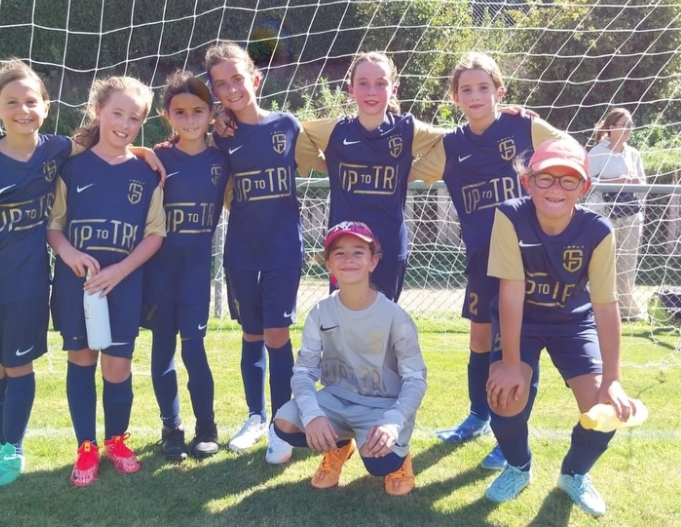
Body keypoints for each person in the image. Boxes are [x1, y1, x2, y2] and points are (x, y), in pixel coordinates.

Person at [410, 52, 569, 469]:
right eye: (466, 89)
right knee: (480, 341)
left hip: (528, 263)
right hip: (482, 260)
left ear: (500, 91)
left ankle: (508, 436)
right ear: (455, 97)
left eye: (484, 87)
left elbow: (570, 150)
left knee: (516, 349)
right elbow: (404, 172)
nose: (475, 95)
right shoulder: (450, 146)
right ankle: (478, 416)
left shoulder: (525, 127)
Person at [484, 138, 637, 516]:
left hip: (573, 324)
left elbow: (605, 306)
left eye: (569, 180)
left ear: (584, 187)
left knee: (605, 409)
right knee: (505, 395)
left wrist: (612, 379)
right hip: (522, 322)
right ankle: (518, 465)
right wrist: (510, 364)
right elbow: (511, 291)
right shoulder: (510, 216)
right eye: (546, 178)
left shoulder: (598, 230)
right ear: (527, 182)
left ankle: (574, 473)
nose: (556, 188)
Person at [0, 59, 80, 490]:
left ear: (46, 106)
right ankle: (1, 442)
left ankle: (14, 450)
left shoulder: (58, 150)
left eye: (31, 101)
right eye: (12, 103)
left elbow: (105, 149)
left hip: (29, 285)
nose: (22, 110)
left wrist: (144, 153)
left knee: (17, 365)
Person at [204, 41, 322, 463]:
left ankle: (280, 423)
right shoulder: (220, 138)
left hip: (283, 248)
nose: (232, 89)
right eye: (221, 84)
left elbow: (328, 149)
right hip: (242, 250)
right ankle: (254, 417)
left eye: (237, 78)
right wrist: (214, 120)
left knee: (277, 333)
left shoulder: (287, 125)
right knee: (251, 333)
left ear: (254, 78)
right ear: (214, 92)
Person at [47, 76, 166, 487]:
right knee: (81, 359)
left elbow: (155, 234)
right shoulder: (72, 167)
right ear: (99, 111)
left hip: (123, 283)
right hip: (77, 284)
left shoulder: (147, 173)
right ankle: (86, 445)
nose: (125, 124)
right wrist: (69, 253)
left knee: (117, 365)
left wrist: (120, 270)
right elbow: (54, 225)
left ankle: (116, 440)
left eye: (135, 118)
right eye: (118, 113)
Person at [271, 221, 427, 496]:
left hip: (382, 406)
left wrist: (394, 420)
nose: (349, 259)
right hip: (336, 399)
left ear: (373, 261)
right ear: (328, 264)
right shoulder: (320, 312)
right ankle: (339, 446)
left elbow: (415, 378)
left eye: (358, 252)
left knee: (381, 463)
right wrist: (313, 414)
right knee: (284, 423)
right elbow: (304, 371)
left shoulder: (395, 317)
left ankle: (400, 459)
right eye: (339, 253)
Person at [295, 51, 446, 303]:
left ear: (394, 89)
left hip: (389, 247)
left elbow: (452, 140)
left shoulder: (407, 129)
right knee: (343, 319)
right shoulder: (335, 130)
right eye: (363, 83)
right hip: (344, 249)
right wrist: (322, 163)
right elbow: (292, 129)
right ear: (351, 89)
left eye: (380, 83)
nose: (371, 91)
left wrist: (414, 172)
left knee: (383, 320)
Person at [141, 71, 230, 461]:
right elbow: (109, 151)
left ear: (211, 113)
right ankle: (171, 428)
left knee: (194, 350)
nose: (190, 119)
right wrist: (139, 151)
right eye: (181, 112)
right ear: (167, 115)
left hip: (196, 273)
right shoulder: (156, 158)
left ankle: (206, 427)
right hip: (159, 272)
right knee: (162, 349)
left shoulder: (222, 159)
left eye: (198, 111)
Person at [588, 108, 646, 321]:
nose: (629, 129)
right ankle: (597, 306)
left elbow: (644, 183)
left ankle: (627, 309)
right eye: (624, 125)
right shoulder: (597, 152)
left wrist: (635, 182)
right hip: (604, 215)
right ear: (611, 127)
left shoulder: (634, 153)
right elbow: (586, 182)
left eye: (631, 125)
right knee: (603, 262)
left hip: (631, 215)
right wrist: (617, 181)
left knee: (627, 262)